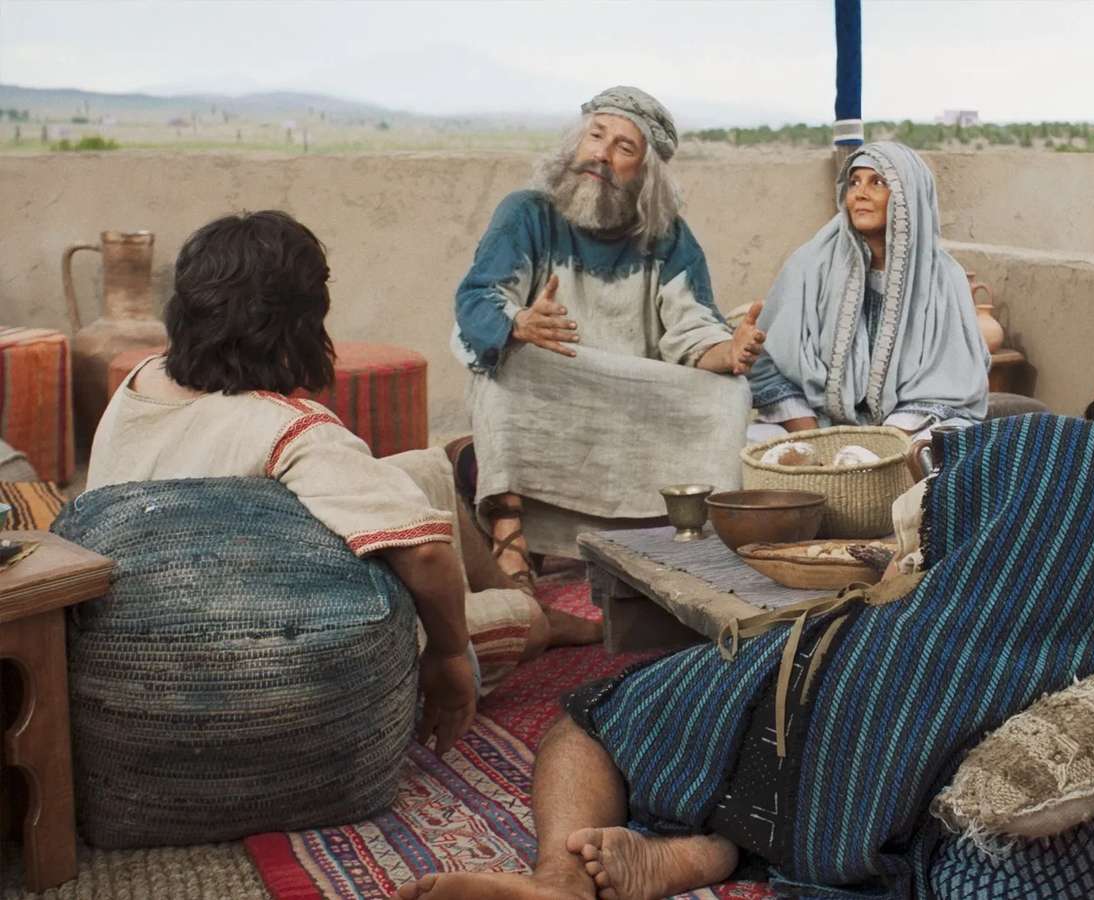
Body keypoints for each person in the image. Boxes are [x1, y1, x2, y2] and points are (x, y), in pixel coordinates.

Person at [391, 279, 1094, 900]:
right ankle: (703, 850)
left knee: (600, 712)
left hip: (866, 693)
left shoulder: (1038, 447)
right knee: (800, 772)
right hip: (940, 777)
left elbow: (930, 547)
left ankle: (562, 877)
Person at [88, 211, 545, 754]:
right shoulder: (290, 430)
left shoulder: (141, 380)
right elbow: (425, 556)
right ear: (300, 325)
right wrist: (447, 655)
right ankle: (530, 612)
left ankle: (498, 587)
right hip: (259, 659)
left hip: (136, 631)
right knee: (523, 618)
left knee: (425, 470)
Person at [451, 86, 763, 601]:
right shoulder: (526, 213)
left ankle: (679, 536)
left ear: (645, 172)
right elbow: (478, 299)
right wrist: (520, 322)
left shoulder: (667, 236)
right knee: (504, 368)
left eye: (624, 147)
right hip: (551, 379)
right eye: (596, 135)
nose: (601, 153)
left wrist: (731, 351)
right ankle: (509, 535)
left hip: (632, 392)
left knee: (728, 394)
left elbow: (692, 330)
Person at [747, 141, 989, 440]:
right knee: (757, 439)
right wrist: (817, 442)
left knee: (947, 441)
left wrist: (878, 450)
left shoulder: (944, 277)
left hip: (907, 431)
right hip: (820, 425)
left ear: (907, 196)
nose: (860, 193)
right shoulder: (810, 264)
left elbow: (950, 383)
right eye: (854, 182)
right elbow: (769, 364)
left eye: (877, 182)